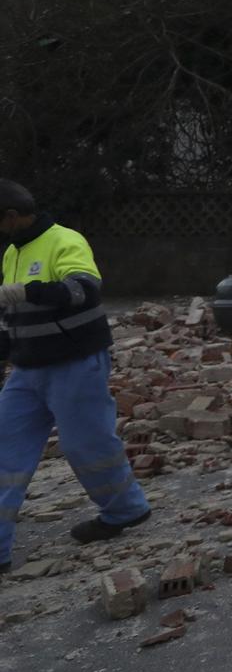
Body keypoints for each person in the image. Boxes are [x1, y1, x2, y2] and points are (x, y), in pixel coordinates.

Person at [0, 179, 150, 577]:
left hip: (75, 362)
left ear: (12, 216)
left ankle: (125, 510)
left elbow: (83, 290)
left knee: (87, 444)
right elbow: (10, 318)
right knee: (3, 451)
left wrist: (24, 291)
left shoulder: (65, 240)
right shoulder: (11, 252)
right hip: (27, 370)